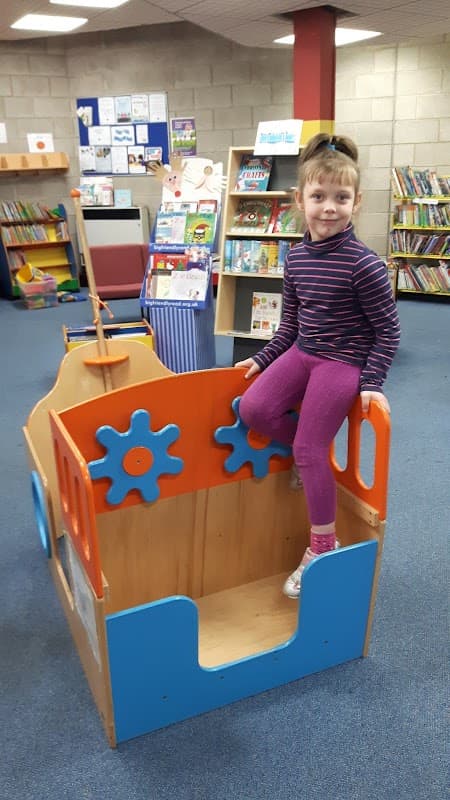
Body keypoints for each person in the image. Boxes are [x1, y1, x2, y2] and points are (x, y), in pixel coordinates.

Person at [235, 132, 401, 599]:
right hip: (303, 351)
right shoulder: (297, 257)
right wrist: (264, 357)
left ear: (357, 201)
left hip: (343, 361)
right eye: (319, 196)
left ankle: (322, 547)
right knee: (254, 410)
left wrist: (371, 380)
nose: (329, 208)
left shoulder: (364, 265)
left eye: (341, 198)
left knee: (309, 448)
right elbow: (290, 323)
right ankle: (310, 455)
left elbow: (389, 331)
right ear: (299, 199)